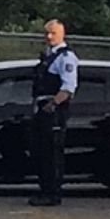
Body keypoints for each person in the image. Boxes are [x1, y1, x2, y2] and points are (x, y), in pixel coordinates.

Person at [26, 18, 77, 206]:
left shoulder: (66, 57)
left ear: (63, 34)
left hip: (54, 110)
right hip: (42, 106)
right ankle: (44, 189)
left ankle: (53, 193)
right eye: (46, 33)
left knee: (52, 152)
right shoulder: (48, 56)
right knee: (41, 151)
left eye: (53, 33)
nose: (49, 37)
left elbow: (69, 87)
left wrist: (53, 104)